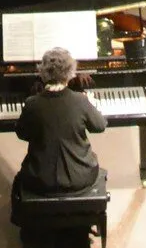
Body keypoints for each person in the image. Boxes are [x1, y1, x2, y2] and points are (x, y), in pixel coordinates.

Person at [13, 47, 106, 198]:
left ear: (42, 72)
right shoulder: (80, 100)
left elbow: (21, 133)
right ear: (70, 73)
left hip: (40, 179)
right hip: (80, 177)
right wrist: (89, 104)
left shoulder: (32, 103)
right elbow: (100, 126)